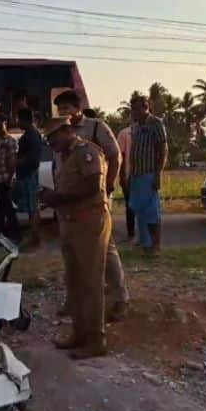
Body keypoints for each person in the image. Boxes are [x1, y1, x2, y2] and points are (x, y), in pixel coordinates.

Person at [54, 89, 130, 322]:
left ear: (78, 109)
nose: (63, 113)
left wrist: (108, 186)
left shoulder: (96, 127)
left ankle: (119, 298)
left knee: (105, 250)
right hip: (68, 202)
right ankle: (73, 299)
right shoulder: (60, 132)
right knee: (70, 251)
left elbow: (115, 155)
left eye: (67, 109)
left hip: (93, 201)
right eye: (60, 110)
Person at [39, 117, 111, 360]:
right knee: (74, 281)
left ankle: (96, 339)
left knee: (91, 281)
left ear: (67, 131)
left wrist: (59, 198)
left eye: (52, 137)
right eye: (47, 139)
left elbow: (93, 186)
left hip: (89, 221)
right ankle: (79, 333)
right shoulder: (61, 156)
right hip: (69, 222)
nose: (50, 143)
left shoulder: (88, 151)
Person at [128, 94, 168, 256]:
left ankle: (156, 246)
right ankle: (146, 245)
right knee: (139, 210)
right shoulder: (136, 127)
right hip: (136, 174)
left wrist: (158, 174)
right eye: (132, 110)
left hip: (149, 174)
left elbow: (163, 150)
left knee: (152, 211)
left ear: (146, 108)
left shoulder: (155, 123)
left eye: (137, 109)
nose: (134, 113)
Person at [0, 114, 20, 242]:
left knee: (6, 206)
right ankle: (2, 232)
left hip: (6, 179)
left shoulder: (11, 141)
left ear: (5, 123)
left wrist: (9, 179)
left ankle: (13, 233)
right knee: (2, 205)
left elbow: (13, 162)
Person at [15, 108, 43, 249]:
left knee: (33, 208)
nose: (17, 122)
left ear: (24, 119)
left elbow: (32, 159)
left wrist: (17, 161)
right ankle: (34, 236)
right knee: (31, 208)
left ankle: (35, 238)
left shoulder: (31, 135)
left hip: (29, 174)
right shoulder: (31, 134)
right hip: (27, 173)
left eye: (18, 119)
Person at [116, 121, 136, 241]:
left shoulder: (124, 133)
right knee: (135, 205)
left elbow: (120, 156)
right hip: (132, 175)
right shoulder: (125, 133)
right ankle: (134, 234)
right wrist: (122, 175)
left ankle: (132, 234)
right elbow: (121, 156)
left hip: (129, 175)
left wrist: (122, 175)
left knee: (131, 205)